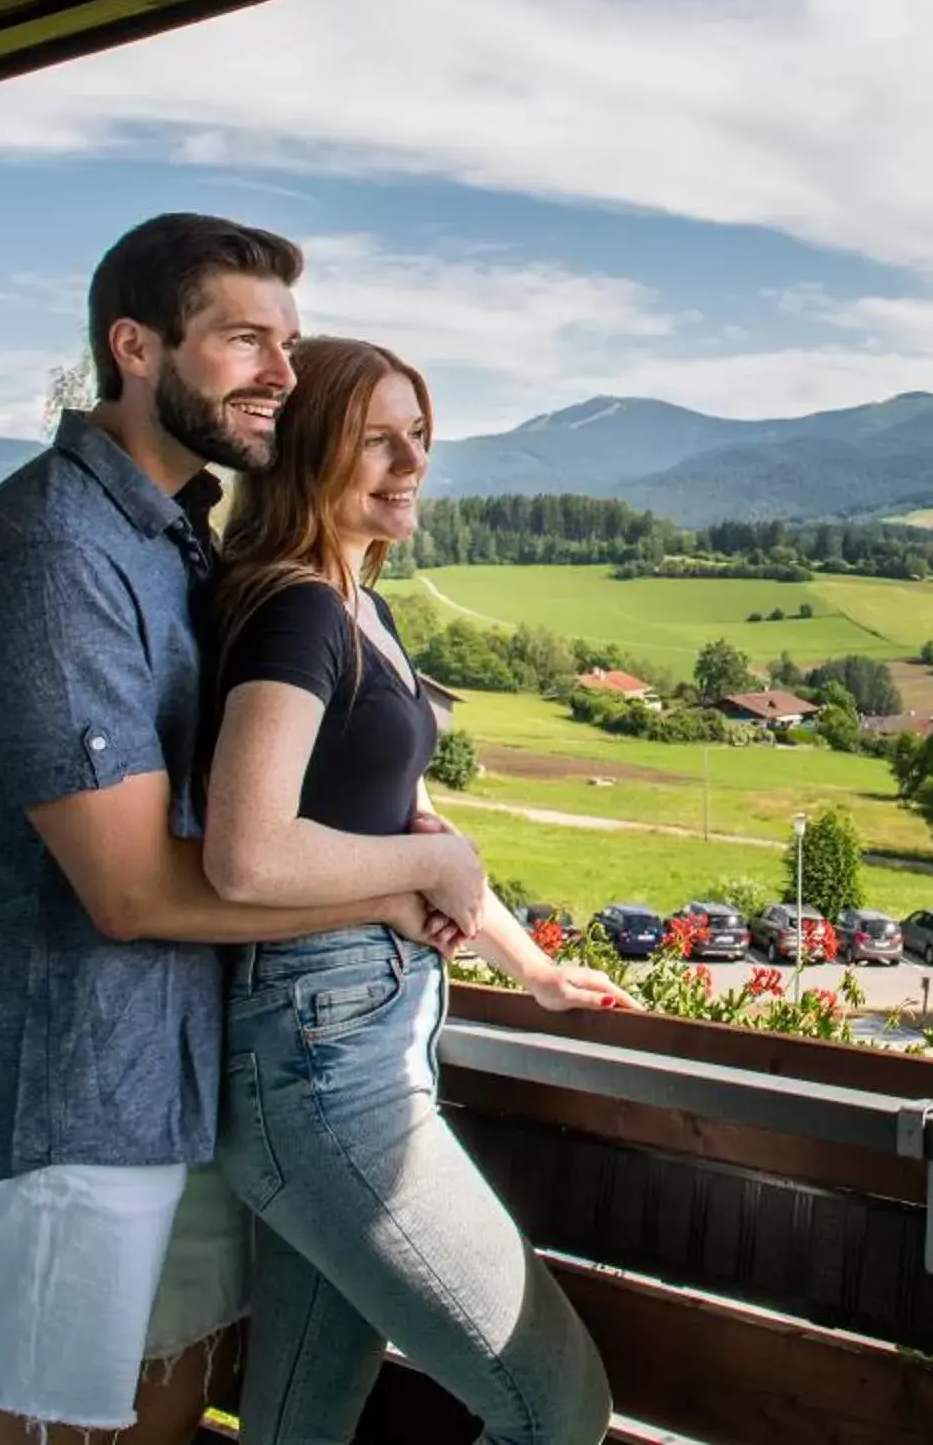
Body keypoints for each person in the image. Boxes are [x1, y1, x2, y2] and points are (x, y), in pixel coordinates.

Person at [0, 215, 493, 1445]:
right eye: (243, 338)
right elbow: (126, 887)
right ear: (134, 346)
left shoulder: (176, 538)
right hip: (64, 1088)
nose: (283, 370)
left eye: (288, 341)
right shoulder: (52, 553)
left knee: (147, 1415)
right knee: (34, 1431)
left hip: (174, 1072)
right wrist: (397, 890)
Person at [202, 335, 632, 1444]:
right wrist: (423, 871)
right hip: (323, 1063)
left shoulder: (361, 610)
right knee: (558, 1404)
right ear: (304, 452)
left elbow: (407, 827)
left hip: (339, 1045)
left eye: (419, 435)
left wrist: (526, 962)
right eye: (375, 439)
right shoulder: (295, 611)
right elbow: (246, 853)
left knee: (301, 1423)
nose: (410, 462)